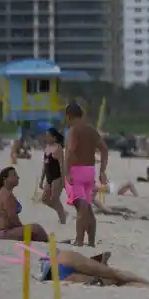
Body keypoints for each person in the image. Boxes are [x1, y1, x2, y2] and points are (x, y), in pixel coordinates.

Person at [63, 102, 108, 247]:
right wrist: (102, 171)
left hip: (76, 171)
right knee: (87, 208)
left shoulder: (74, 130)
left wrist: (67, 172)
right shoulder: (91, 130)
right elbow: (104, 149)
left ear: (69, 116)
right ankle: (92, 242)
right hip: (90, 171)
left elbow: (70, 150)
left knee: (82, 209)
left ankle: (79, 240)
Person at [40, 249, 149, 286]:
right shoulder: (65, 256)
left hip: (55, 277)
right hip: (60, 260)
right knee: (116, 275)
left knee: (114, 283)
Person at [0, 167, 49, 241]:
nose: (18, 177)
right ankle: (50, 243)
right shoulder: (7, 195)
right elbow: (12, 217)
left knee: (34, 230)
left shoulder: (2, 191)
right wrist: (22, 228)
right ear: (5, 179)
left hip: (3, 231)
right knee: (37, 229)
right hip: (4, 232)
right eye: (14, 175)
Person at [40, 128, 68, 224]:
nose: (46, 137)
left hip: (57, 177)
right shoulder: (47, 147)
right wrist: (41, 180)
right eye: (46, 135)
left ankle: (63, 221)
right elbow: (45, 165)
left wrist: (64, 180)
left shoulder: (58, 148)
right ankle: (63, 212)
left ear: (54, 138)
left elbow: (62, 166)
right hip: (48, 177)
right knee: (44, 199)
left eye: (48, 136)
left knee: (55, 199)